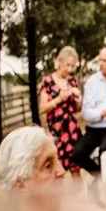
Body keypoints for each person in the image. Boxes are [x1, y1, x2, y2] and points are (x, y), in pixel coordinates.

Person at [70, 45, 106, 175]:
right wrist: (102, 113)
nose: (101, 64)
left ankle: (105, 182)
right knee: (77, 153)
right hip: (94, 129)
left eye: (105, 61)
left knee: (105, 150)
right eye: (100, 60)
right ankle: (99, 176)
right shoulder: (92, 82)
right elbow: (86, 113)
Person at [37, 45, 83, 176]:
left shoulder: (73, 81)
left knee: (76, 171)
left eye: (72, 66)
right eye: (67, 65)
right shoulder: (47, 82)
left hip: (72, 132)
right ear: (59, 62)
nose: (69, 69)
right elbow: (42, 108)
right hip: (56, 134)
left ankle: (80, 197)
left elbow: (77, 109)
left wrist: (78, 97)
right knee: (57, 174)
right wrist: (58, 99)